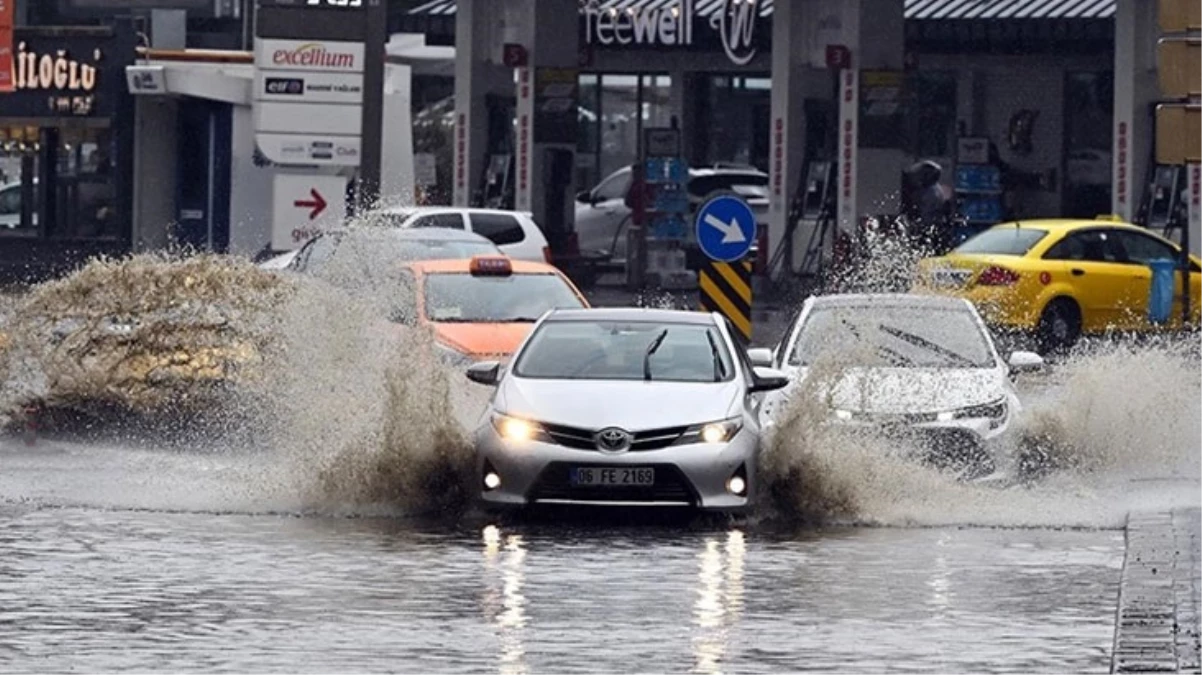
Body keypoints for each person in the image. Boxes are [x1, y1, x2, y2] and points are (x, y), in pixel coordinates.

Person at [901, 160, 955, 255]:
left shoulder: (931, 192)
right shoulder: (929, 190)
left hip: (929, 230)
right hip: (931, 230)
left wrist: (918, 228)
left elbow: (926, 213)